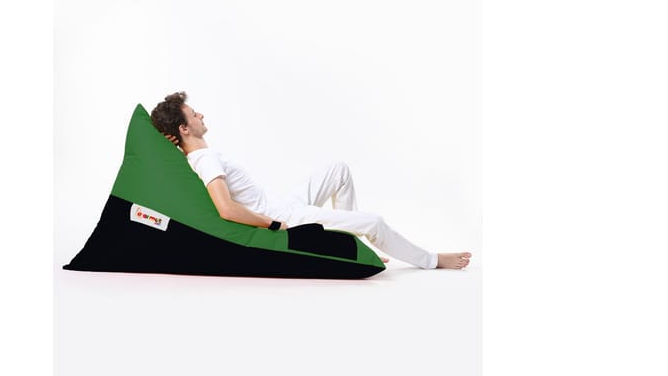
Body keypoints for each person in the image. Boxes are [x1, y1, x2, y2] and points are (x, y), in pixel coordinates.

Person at [150, 92, 471, 270]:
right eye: (194, 114)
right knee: (374, 222)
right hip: (283, 216)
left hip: (281, 203)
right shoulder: (204, 159)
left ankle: (354, 247)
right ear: (184, 129)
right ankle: (432, 260)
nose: (201, 116)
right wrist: (273, 225)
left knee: (338, 170)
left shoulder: (202, 155)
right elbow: (226, 209)